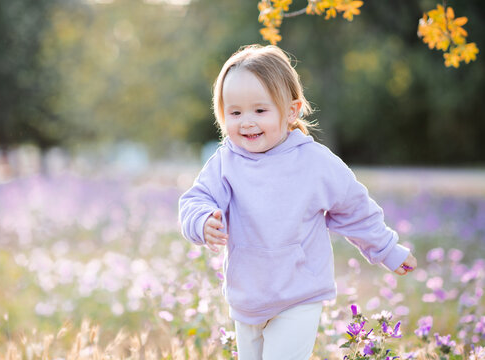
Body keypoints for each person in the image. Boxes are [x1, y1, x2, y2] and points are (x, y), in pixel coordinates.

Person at [178, 44, 417, 360]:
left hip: (298, 295)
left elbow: (355, 208)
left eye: (260, 111)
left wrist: (387, 249)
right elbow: (196, 199)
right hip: (247, 297)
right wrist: (202, 221)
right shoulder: (225, 163)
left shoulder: (315, 163)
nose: (246, 121)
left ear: (291, 111)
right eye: (235, 112)